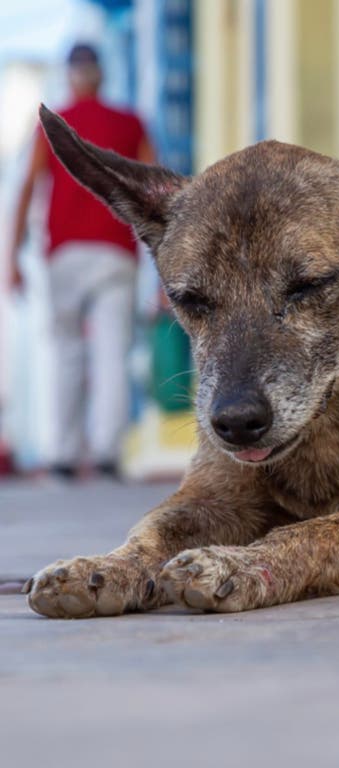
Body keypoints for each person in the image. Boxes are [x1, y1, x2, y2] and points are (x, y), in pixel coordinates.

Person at [5, 43, 156, 480]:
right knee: (112, 350)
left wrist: (11, 258)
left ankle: (63, 454)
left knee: (66, 350)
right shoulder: (130, 124)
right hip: (114, 252)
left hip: (66, 254)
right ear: (102, 76)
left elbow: (28, 188)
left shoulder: (53, 126)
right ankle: (107, 452)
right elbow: (156, 195)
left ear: (71, 77)